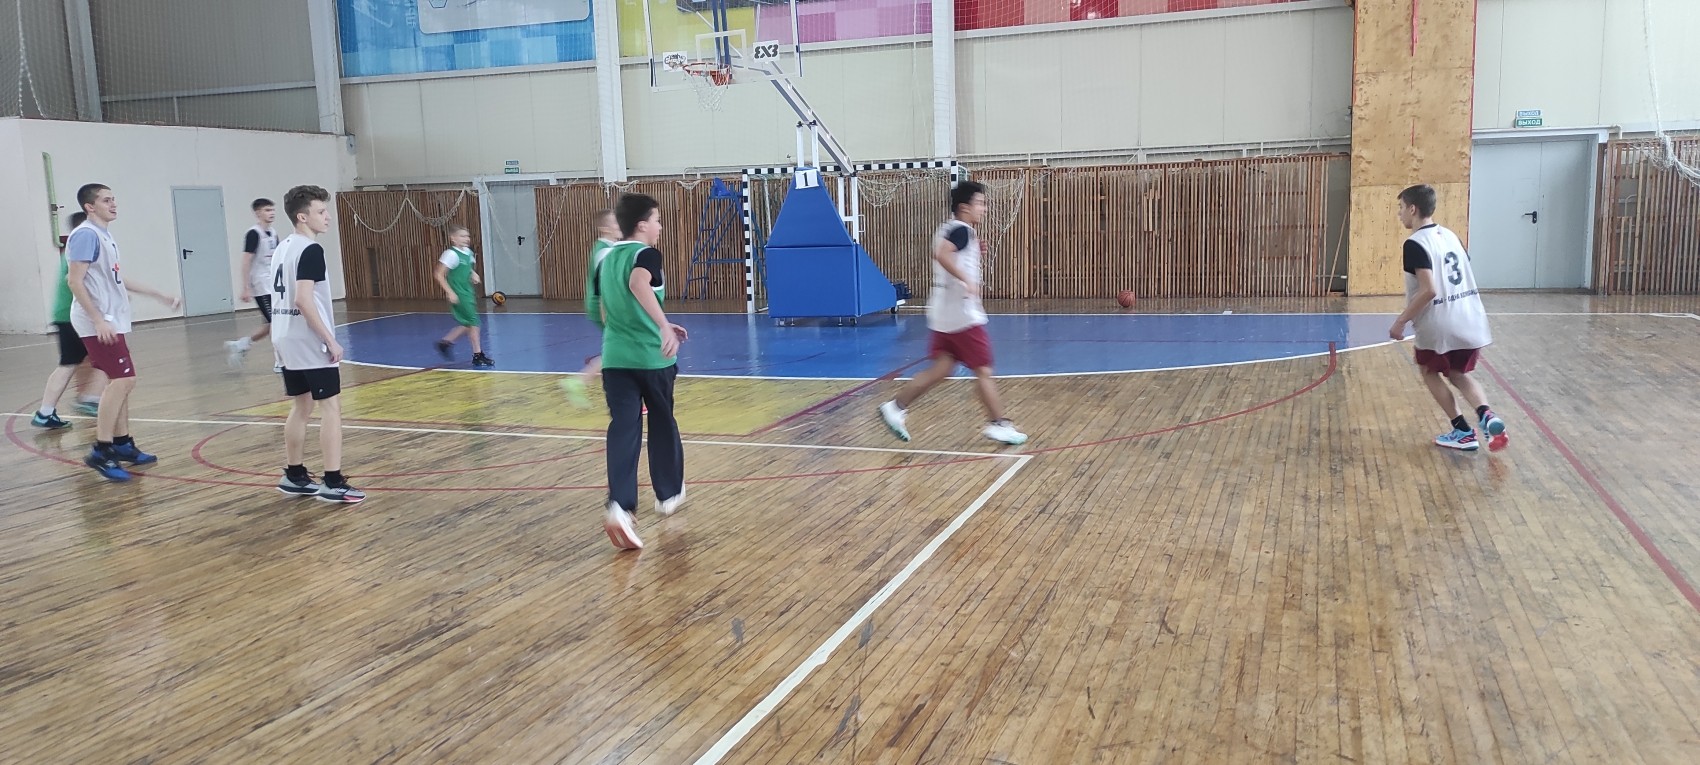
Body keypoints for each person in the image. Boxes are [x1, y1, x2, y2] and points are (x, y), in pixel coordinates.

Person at [879, 181, 1027, 446]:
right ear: (964, 207)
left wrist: (972, 253)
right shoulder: (962, 231)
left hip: (942, 312)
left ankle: (896, 406)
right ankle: (999, 424)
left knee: (942, 369)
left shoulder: (948, 229)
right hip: (962, 314)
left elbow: (945, 252)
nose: (984, 208)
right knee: (983, 369)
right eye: (980, 203)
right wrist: (966, 280)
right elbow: (942, 254)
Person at [65, 183, 182, 481]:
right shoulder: (86, 235)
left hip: (110, 319)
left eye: (113, 199)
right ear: (90, 206)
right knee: (123, 380)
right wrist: (97, 320)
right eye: (106, 200)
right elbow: (74, 281)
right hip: (97, 321)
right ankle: (101, 451)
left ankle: (122, 443)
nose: (113, 204)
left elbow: (116, 278)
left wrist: (159, 295)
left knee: (121, 382)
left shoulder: (104, 235)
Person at [598, 194, 688, 551]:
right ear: (641, 225)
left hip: (615, 359)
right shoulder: (646, 254)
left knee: (624, 428)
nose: (660, 227)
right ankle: (668, 493)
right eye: (657, 220)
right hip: (652, 359)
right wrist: (662, 326)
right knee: (663, 422)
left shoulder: (606, 259)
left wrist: (656, 322)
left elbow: (608, 311)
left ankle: (620, 506)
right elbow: (638, 285)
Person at [1387, 183, 1508, 452]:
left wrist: (1401, 321)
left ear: (1413, 209)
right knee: (1457, 373)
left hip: (1440, 321)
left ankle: (1462, 431)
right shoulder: (1451, 235)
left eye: (1401, 208)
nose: (1399, 213)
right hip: (1469, 317)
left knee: (1429, 371)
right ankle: (1486, 414)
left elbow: (1429, 290)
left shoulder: (1415, 243)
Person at [270, 184, 365, 502]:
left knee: (301, 405)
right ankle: (333, 481)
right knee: (331, 408)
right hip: (308, 339)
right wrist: (329, 340)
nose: (327, 217)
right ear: (302, 217)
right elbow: (303, 299)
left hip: (284, 336)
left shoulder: (282, 248)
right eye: (321, 211)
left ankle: (294, 474)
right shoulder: (310, 250)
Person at [32, 211, 106, 429]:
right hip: (74, 315)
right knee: (111, 356)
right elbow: (75, 281)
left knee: (68, 363)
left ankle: (45, 413)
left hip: (64, 315)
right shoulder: (81, 249)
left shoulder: (73, 249)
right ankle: (91, 399)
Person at [561, 209, 618, 408]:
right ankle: (579, 381)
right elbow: (604, 286)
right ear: (605, 228)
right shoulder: (605, 252)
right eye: (616, 222)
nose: (620, 225)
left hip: (603, 305)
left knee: (619, 349)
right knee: (619, 348)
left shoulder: (608, 248)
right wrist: (607, 314)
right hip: (603, 306)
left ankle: (582, 381)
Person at [225, 198, 280, 368]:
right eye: (267, 210)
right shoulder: (254, 234)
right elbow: (246, 261)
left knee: (271, 324)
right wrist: (246, 287)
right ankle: (280, 361)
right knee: (276, 323)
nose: (271, 213)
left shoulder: (273, 233)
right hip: (261, 285)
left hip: (273, 284)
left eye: (272, 210)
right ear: (258, 213)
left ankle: (242, 344)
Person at [433, 224, 492, 366]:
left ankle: (445, 343)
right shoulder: (450, 254)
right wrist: (450, 292)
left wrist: (473, 273)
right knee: (473, 322)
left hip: (468, 291)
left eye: (467, 236)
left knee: (468, 323)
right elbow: (439, 274)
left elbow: (468, 268)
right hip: (458, 292)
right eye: (462, 236)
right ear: (453, 238)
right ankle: (477, 354)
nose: (466, 238)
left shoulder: (468, 253)